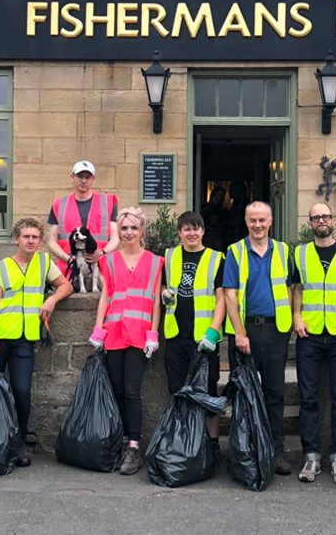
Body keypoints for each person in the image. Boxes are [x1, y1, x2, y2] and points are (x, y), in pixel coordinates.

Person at [0, 218, 73, 467]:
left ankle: (19, 441)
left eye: (35, 237)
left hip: (24, 338)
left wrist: (51, 300)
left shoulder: (44, 263)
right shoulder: (1, 266)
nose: (31, 241)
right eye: (26, 236)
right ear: (16, 239)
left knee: (21, 391)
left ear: (40, 241)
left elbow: (66, 285)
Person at [89, 207, 164, 475]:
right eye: (124, 228)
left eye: (133, 228)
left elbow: (155, 299)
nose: (129, 233)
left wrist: (153, 332)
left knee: (132, 391)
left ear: (142, 230)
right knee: (117, 390)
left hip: (140, 333)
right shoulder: (108, 261)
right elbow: (106, 295)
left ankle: (134, 446)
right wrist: (98, 328)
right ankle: (121, 442)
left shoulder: (156, 262)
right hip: (114, 331)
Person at [292, 203, 336, 484]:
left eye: (325, 216)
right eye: (315, 217)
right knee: (308, 398)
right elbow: (297, 288)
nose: (321, 221)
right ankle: (311, 457)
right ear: (310, 223)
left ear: (334, 219)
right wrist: (297, 316)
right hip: (308, 333)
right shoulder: (300, 253)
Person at [223, 200, 293, 475]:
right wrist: (239, 333)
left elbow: (291, 288)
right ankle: (245, 451)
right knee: (244, 394)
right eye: (253, 220)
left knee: (274, 393)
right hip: (246, 332)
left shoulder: (284, 251)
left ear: (270, 222)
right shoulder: (235, 252)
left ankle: (275, 452)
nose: (258, 225)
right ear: (246, 221)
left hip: (276, 331)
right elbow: (229, 294)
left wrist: (287, 324)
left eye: (262, 220)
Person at [161, 211, 225, 450]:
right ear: (179, 233)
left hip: (204, 339)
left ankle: (212, 444)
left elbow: (222, 300)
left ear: (203, 231)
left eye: (196, 228)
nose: (191, 233)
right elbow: (165, 287)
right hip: (176, 335)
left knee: (208, 392)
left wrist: (213, 331)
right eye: (186, 229)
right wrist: (164, 295)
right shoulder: (170, 256)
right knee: (177, 391)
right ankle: (182, 443)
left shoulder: (216, 259)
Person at [47, 160, 119, 276]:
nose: (84, 181)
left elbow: (115, 238)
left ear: (93, 179)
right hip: (70, 270)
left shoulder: (108, 203)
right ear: (72, 177)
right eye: (80, 176)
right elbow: (51, 241)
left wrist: (102, 253)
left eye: (88, 177)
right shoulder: (59, 205)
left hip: (100, 268)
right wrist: (69, 259)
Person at [200, 187, 227, 252]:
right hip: (207, 235)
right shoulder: (204, 208)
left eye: (221, 195)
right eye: (218, 195)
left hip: (219, 237)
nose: (219, 197)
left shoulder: (224, 211)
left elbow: (226, 223)